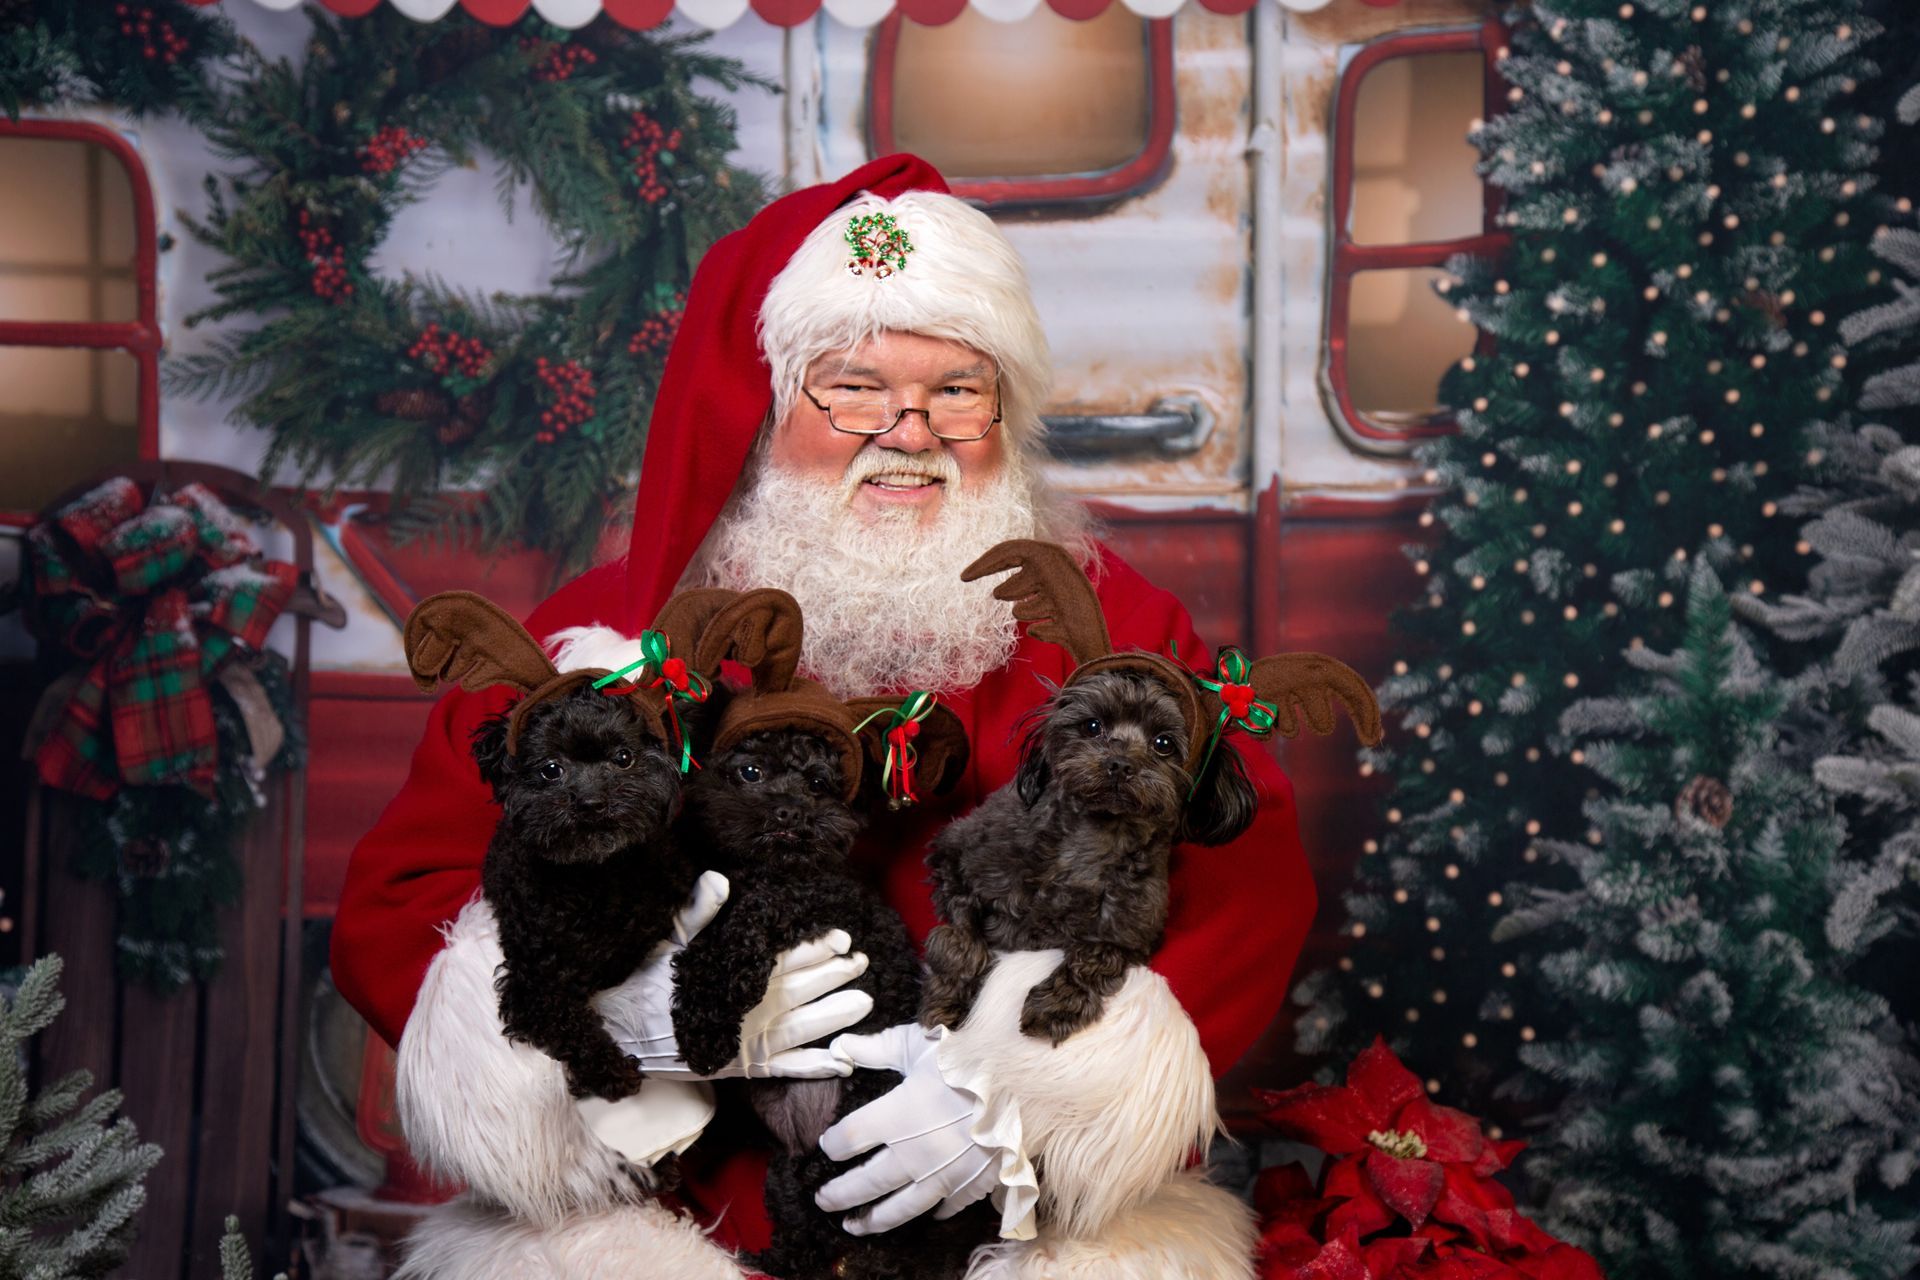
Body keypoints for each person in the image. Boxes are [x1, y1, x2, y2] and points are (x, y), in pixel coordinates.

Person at [333, 155, 1316, 1267]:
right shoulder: (592, 641)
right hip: (690, 1212)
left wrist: (1016, 1097)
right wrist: (608, 1006)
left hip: (997, 1218)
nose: (911, 430)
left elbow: (1251, 882)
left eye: (959, 388)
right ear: (762, 407)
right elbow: (397, 903)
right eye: (851, 386)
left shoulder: (1116, 630)